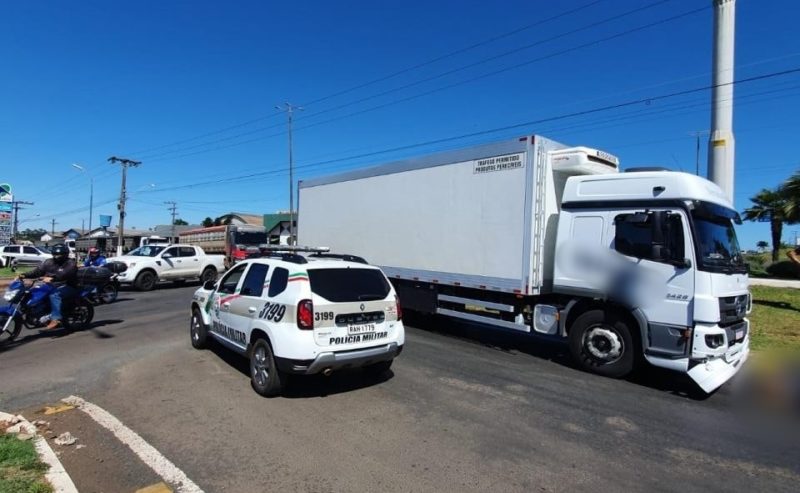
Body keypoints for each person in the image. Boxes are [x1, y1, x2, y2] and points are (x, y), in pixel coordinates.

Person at [19, 243, 78, 330]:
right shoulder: (49, 262)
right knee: (34, 292)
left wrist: (53, 278)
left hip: (69, 286)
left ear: (65, 254)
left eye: (60, 254)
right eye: (55, 254)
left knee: (54, 295)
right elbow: (38, 271)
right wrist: (24, 275)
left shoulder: (70, 263)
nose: (57, 256)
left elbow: (64, 274)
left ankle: (56, 318)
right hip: (52, 285)